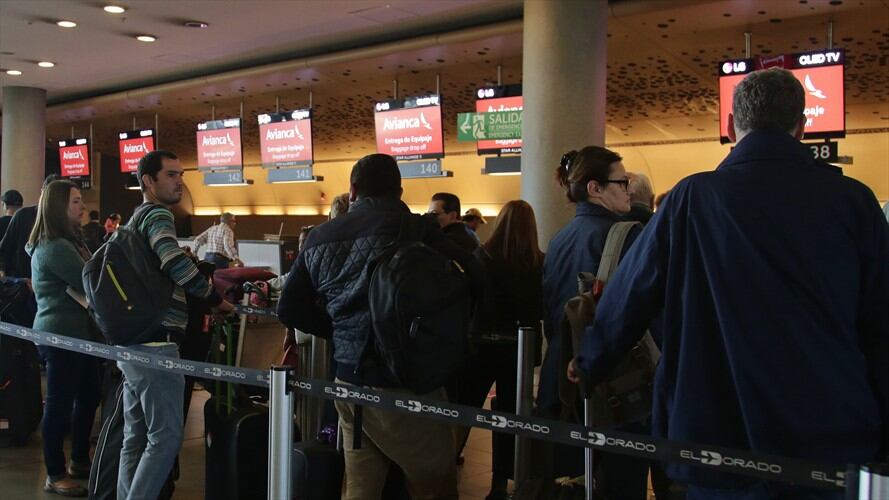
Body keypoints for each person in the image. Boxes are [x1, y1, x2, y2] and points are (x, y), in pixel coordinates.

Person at [568, 68, 889, 499]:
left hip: (716, 428)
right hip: (826, 429)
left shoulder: (692, 199)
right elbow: (880, 320)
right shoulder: (854, 201)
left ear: (733, 125)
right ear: (802, 125)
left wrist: (591, 362)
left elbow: (630, 294)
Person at [278, 153, 481, 500]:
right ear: (399, 191)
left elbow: (289, 308)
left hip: (347, 378)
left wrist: (338, 329)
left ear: (353, 190)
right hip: (403, 379)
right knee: (435, 481)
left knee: (361, 485)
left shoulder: (319, 237)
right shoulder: (417, 230)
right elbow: (474, 275)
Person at [117, 150, 234, 500]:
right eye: (170, 175)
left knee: (135, 437)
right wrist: (217, 300)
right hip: (157, 341)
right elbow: (174, 264)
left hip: (132, 339)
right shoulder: (157, 214)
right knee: (166, 437)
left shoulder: (134, 220)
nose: (179, 181)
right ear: (147, 181)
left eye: (181, 174)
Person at [540, 146, 649, 498]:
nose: (629, 190)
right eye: (622, 182)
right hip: (617, 385)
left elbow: (550, 311)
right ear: (595, 188)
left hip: (562, 380)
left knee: (569, 483)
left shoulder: (559, 239)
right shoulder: (627, 235)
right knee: (622, 483)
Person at [455, 200, 543, 500]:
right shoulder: (538, 263)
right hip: (519, 349)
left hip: (480, 346)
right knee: (511, 418)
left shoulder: (480, 257)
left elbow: (468, 302)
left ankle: (445, 464)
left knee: (462, 410)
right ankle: (500, 483)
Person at [26, 180, 101, 497]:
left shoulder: (70, 242)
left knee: (87, 397)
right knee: (59, 405)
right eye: (75, 201)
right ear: (58, 207)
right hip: (61, 336)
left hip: (79, 336)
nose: (82, 206)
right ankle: (55, 473)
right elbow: (90, 282)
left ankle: (79, 460)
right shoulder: (55, 247)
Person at [0, 174, 61, 279]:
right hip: (22, 282)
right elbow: (5, 248)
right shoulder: (23, 215)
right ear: (42, 192)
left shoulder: (64, 221)